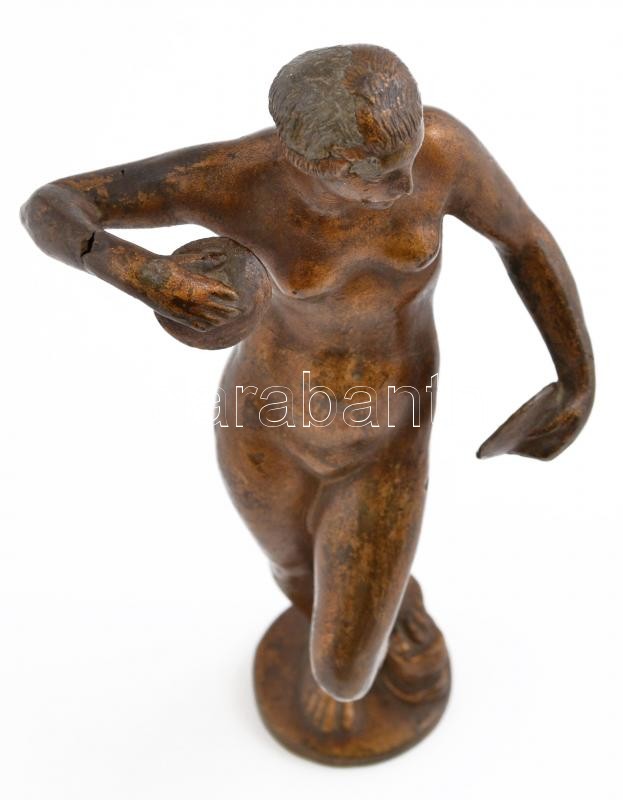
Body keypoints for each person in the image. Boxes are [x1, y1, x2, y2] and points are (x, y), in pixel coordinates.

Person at [21, 45, 594, 733]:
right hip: (261, 419)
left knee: (342, 672)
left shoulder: (444, 151)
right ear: (306, 160)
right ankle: (386, 602)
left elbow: (524, 240)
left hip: (385, 434)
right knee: (294, 575)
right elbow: (52, 207)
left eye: (408, 157)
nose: (403, 184)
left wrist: (575, 377)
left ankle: (387, 606)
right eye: (374, 174)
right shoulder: (233, 178)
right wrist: (147, 277)